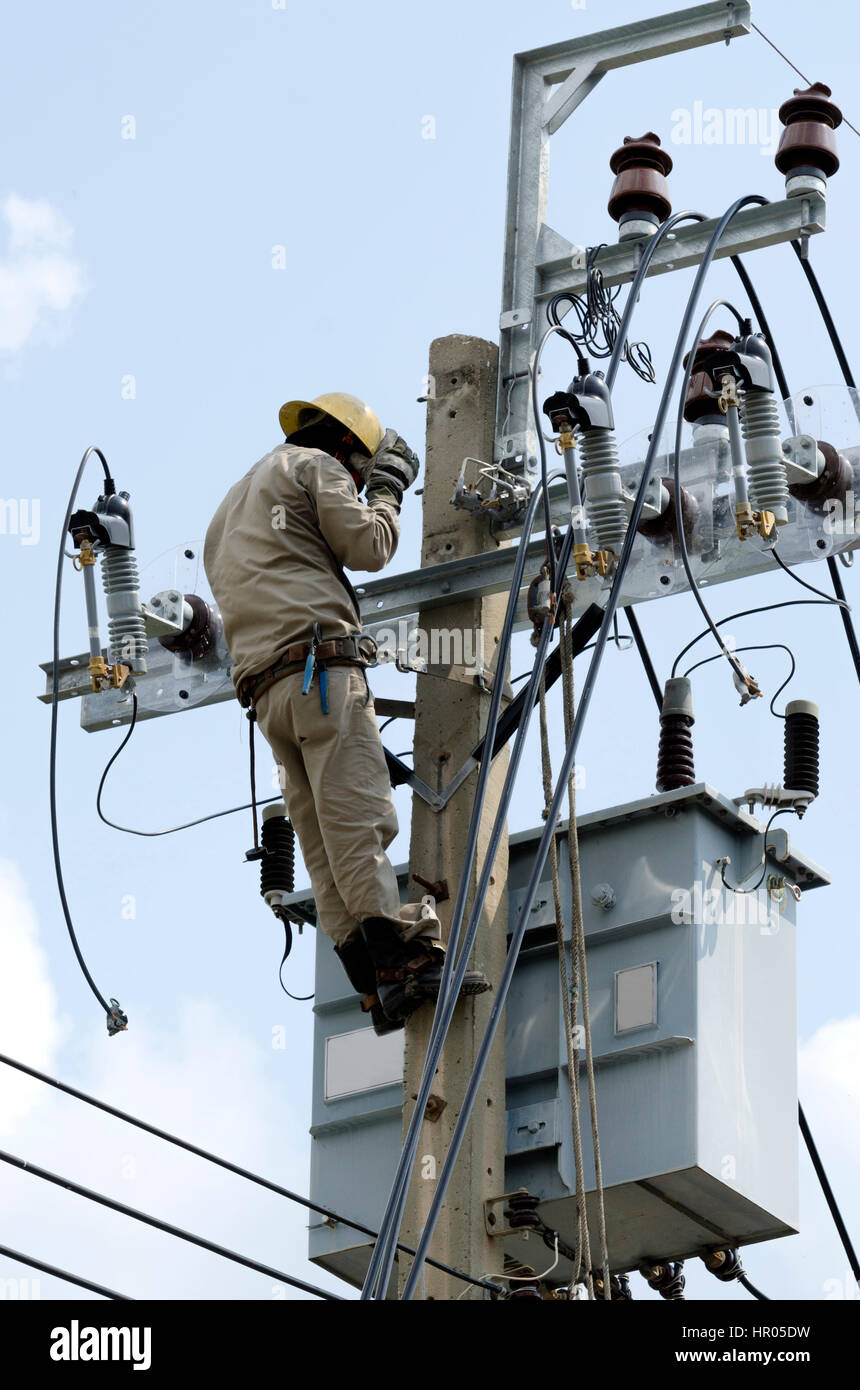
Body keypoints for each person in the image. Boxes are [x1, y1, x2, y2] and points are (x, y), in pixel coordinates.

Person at [204, 393, 489, 1034]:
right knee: (358, 818)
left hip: (267, 696)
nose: (359, 483)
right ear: (346, 448)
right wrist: (385, 491)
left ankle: (373, 979)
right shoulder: (315, 467)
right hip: (321, 676)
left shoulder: (229, 507)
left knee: (324, 842)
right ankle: (408, 955)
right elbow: (367, 547)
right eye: (360, 471)